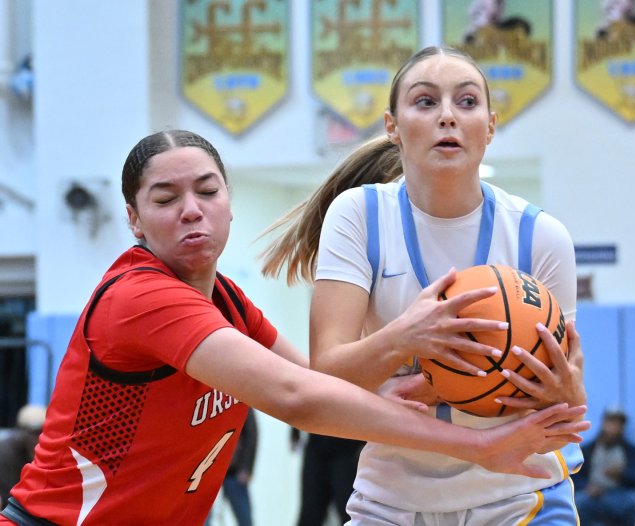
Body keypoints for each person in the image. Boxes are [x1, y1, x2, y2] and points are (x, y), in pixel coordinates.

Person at [0, 129, 589, 526]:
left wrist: (420, 386)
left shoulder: (229, 303)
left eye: (207, 190)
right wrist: (479, 445)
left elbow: (322, 380)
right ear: (134, 219)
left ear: (229, 202)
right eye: (165, 198)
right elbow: (298, 398)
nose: (191, 209)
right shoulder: (140, 296)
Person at [260, 46, 587, 525]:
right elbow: (325, 376)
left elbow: (568, 417)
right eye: (426, 101)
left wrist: (566, 394)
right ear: (392, 125)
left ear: (490, 127)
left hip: (521, 497)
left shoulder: (540, 235)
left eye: (467, 101)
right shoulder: (359, 216)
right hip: (391, 501)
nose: (448, 116)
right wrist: (407, 338)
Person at [573, 407, 635, 526]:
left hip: (620, 494)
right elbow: (574, 475)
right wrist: (587, 487)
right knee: (578, 503)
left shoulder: (633, 452)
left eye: (618, 424)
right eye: (611, 422)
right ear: (603, 423)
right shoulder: (587, 450)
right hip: (593, 496)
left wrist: (621, 474)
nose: (614, 427)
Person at [290, 427, 364, 526]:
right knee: (310, 511)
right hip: (317, 444)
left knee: (348, 511)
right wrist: (294, 431)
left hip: (348, 447)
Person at [206, 408, 258, 526]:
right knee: (203, 517)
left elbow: (251, 432)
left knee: (244, 516)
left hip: (233, 471)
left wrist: (247, 468)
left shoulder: (241, 400)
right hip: (207, 472)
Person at [0, 405, 46, 509]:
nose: (37, 438)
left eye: (42, 432)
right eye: (34, 433)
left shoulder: (47, 451)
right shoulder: (5, 452)